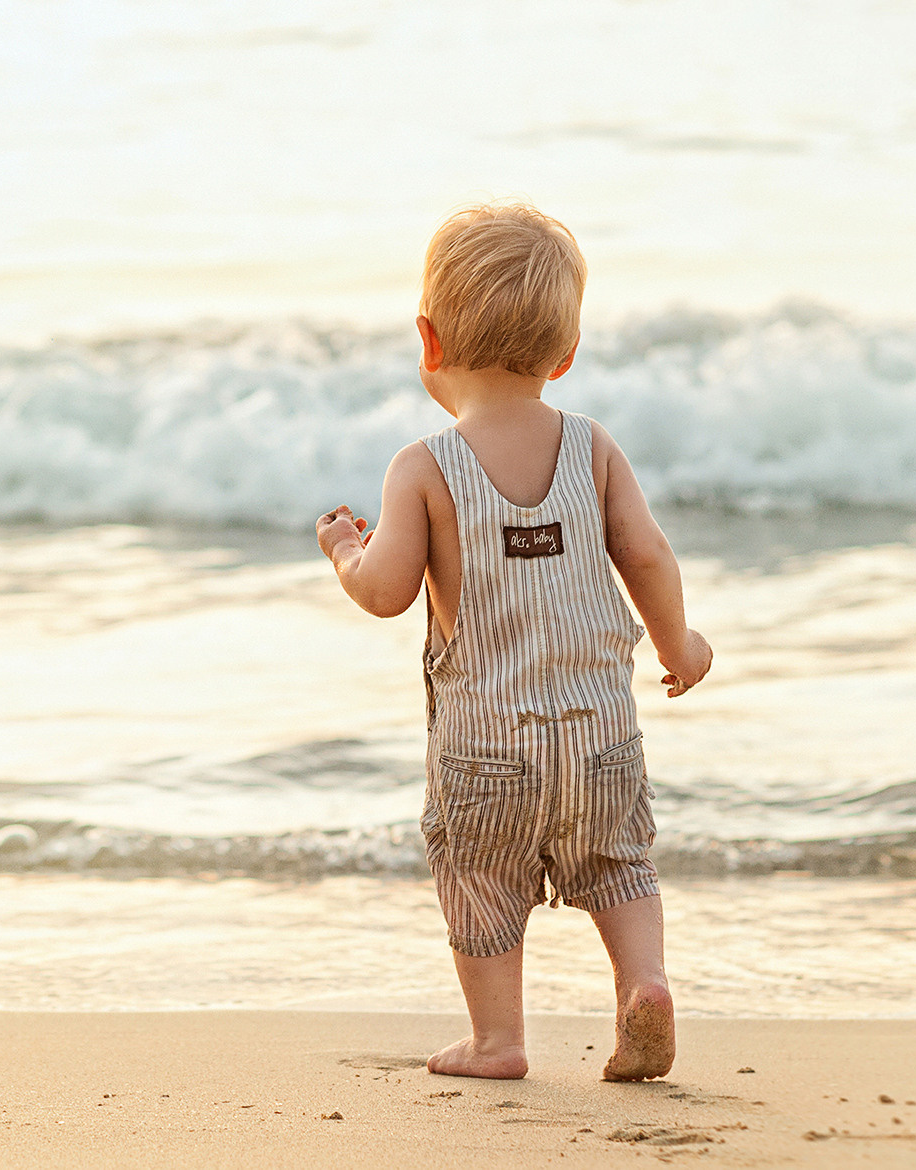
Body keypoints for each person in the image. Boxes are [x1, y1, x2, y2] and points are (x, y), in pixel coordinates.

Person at [315, 201, 712, 1081]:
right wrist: (679, 642)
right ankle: (642, 984)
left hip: (484, 750)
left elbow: (385, 592)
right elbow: (646, 553)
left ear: (427, 340)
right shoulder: (593, 448)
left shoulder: (422, 468)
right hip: (599, 733)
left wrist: (347, 549)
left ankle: (498, 1041)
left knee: (481, 882)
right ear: (565, 354)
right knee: (619, 864)